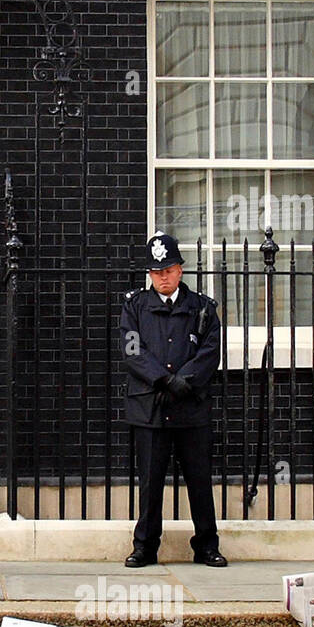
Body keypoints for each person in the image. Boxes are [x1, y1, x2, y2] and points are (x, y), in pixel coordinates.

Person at [118, 232, 228, 568]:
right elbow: (132, 348)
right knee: (150, 483)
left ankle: (206, 546)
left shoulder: (202, 309)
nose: (162, 277)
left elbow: (210, 352)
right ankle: (145, 547)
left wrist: (185, 381)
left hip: (190, 407)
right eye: (156, 271)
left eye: (167, 269)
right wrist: (164, 379)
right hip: (150, 407)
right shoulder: (135, 306)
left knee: (199, 480)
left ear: (180, 269)